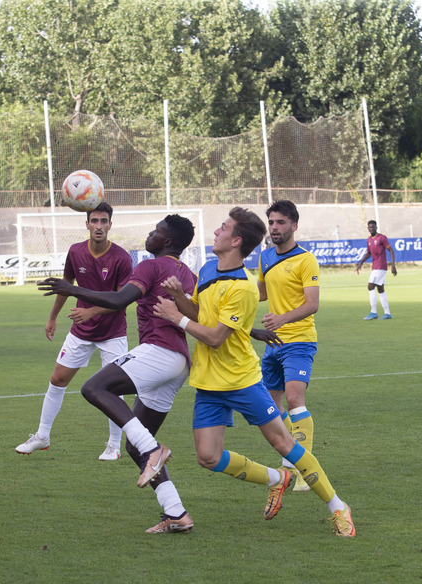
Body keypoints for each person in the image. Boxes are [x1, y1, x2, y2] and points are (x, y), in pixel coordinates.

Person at [152, 207, 356, 537]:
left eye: (223, 228)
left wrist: (175, 317)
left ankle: (338, 506)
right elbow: (202, 315)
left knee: (283, 442)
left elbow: (216, 337)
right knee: (207, 457)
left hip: (241, 380)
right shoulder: (206, 269)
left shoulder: (244, 287)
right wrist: (179, 298)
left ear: (235, 240)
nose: (216, 231)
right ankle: (278, 479)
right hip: (208, 382)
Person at [37, 214, 198, 534]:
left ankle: (155, 450)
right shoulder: (188, 274)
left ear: (166, 241)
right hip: (179, 361)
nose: (149, 235)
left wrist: (72, 288)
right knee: (134, 446)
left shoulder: (150, 266)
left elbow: (120, 299)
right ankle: (176, 513)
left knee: (95, 388)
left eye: (155, 232)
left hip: (159, 352)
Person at [15, 202, 133, 460]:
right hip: (81, 331)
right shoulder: (76, 252)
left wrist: (91, 311)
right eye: (95, 221)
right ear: (87, 224)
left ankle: (113, 445)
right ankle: (42, 436)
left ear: (110, 225)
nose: (99, 226)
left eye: (104, 221)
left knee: (113, 388)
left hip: (113, 333)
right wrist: (53, 317)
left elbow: (122, 299)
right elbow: (66, 286)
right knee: (57, 379)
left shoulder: (122, 258)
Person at [255, 200, 320, 493]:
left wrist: (281, 318)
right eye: (271, 222)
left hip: (299, 340)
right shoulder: (265, 256)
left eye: (280, 222)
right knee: (271, 407)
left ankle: (304, 468)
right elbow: (259, 293)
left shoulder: (306, 260)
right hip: (273, 343)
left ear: (294, 225)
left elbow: (312, 304)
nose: (274, 228)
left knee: (295, 401)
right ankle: (290, 456)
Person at [354, 219, 397, 320]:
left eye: (373, 227)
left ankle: (373, 312)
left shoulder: (382, 238)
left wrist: (393, 265)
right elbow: (368, 253)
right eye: (369, 227)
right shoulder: (369, 240)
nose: (371, 229)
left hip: (381, 266)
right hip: (375, 266)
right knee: (380, 289)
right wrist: (361, 262)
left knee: (370, 286)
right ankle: (387, 313)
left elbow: (391, 250)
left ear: (376, 227)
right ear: (368, 228)